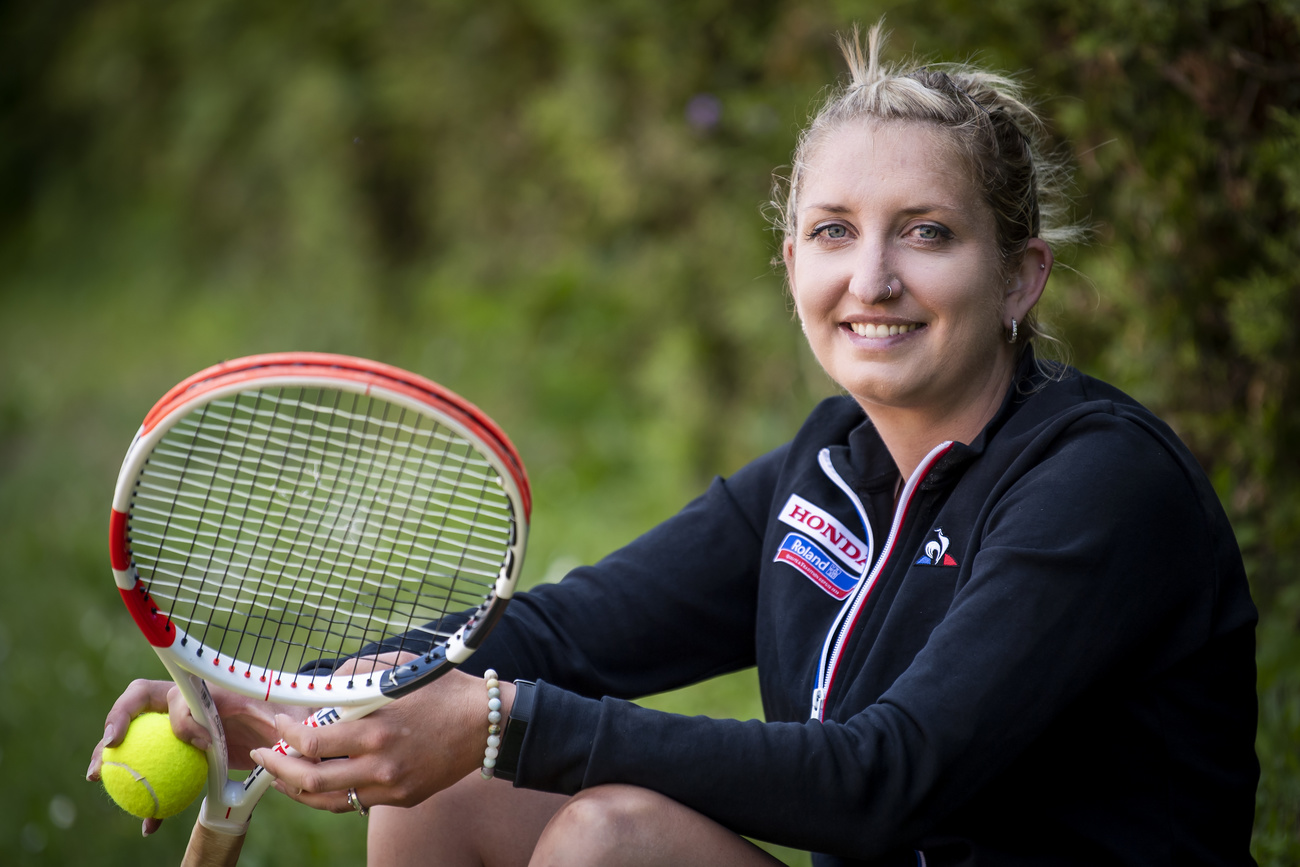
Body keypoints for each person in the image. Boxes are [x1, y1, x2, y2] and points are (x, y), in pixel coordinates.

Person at [88, 23, 1259, 866]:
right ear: (789, 264)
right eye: (832, 232)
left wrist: (498, 722)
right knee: (446, 797)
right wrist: (285, 704)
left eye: (928, 234)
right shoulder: (832, 464)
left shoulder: (1098, 483)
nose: (872, 278)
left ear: (1018, 276)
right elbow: (563, 634)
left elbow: (883, 781)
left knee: (610, 842)